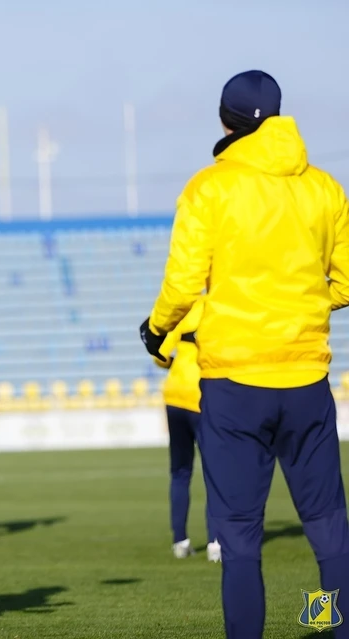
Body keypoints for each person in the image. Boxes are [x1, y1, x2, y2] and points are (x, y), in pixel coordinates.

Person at [140, 70, 349, 639]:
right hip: (306, 380)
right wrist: (302, 300)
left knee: (238, 536)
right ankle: (329, 626)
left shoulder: (210, 187)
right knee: (328, 529)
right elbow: (346, 283)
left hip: (234, 386)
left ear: (225, 120)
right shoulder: (326, 188)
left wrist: (156, 328)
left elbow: (184, 288)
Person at [152, 298, 220, 562]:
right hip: (203, 398)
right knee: (216, 473)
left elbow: (160, 355)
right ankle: (215, 542)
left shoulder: (188, 310)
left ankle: (180, 541)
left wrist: (176, 363)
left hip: (174, 396)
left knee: (180, 471)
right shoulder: (222, 307)